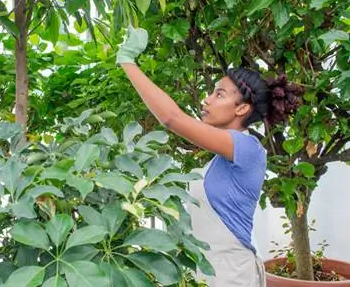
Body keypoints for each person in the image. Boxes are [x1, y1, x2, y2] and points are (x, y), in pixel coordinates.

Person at [116, 27, 303, 286]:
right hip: (207, 273)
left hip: (231, 275)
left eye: (219, 94)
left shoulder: (247, 148)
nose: (206, 100)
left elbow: (172, 118)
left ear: (242, 108)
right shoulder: (220, 159)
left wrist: (128, 61)